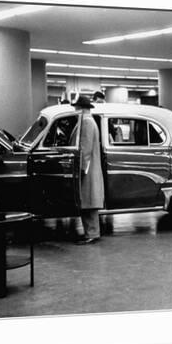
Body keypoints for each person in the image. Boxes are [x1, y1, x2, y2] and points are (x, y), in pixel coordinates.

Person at [73, 96, 104, 245]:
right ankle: (90, 232)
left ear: (81, 108)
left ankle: (92, 233)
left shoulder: (86, 122)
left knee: (88, 202)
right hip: (91, 167)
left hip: (88, 169)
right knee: (88, 201)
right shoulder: (89, 121)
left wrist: (81, 168)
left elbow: (85, 148)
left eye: (76, 107)